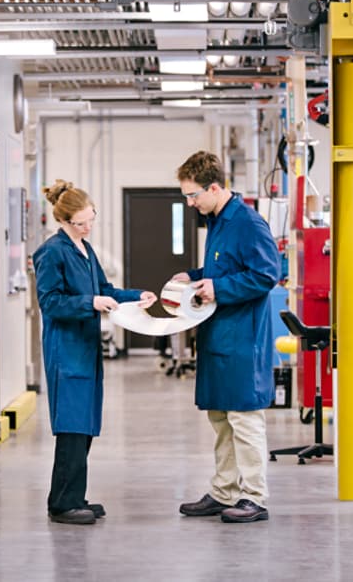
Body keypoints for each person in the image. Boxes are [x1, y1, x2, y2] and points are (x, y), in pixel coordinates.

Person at [32, 179, 157, 525]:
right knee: (72, 426)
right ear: (65, 220)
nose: (88, 227)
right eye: (82, 222)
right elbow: (50, 302)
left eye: (92, 219)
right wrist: (91, 303)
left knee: (84, 425)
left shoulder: (85, 250)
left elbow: (106, 289)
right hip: (66, 349)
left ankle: (72, 495)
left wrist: (136, 296)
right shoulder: (52, 251)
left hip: (85, 348)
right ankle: (62, 504)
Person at [172, 151, 281, 523]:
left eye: (192, 195)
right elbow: (226, 266)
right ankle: (225, 491)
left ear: (214, 187)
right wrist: (194, 275)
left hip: (242, 337)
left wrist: (218, 287)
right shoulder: (217, 220)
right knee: (221, 418)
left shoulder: (248, 224)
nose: (190, 203)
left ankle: (254, 497)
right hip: (219, 334)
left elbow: (266, 275)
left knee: (244, 417)